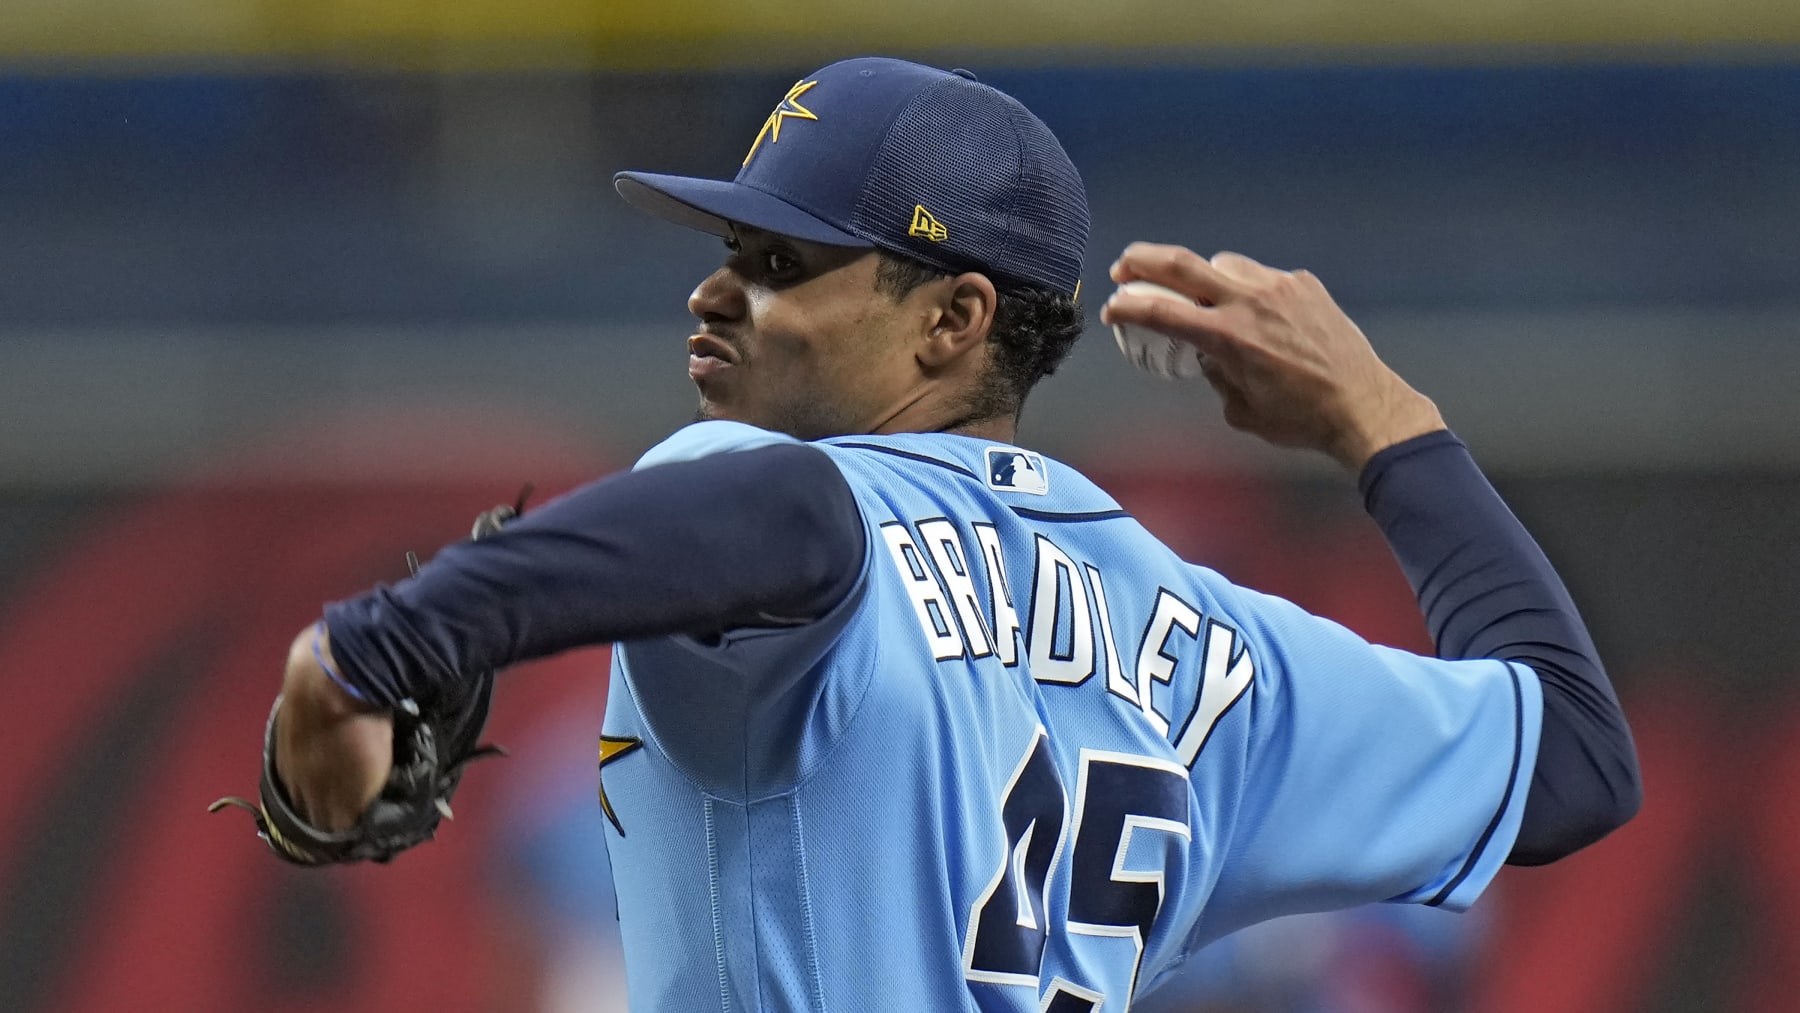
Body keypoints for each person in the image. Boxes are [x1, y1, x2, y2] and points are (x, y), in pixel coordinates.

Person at [268, 57, 1640, 1011]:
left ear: (953, 320)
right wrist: (1386, 421)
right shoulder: (1217, 647)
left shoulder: (782, 501)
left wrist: (369, 650)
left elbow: (775, 521)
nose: (717, 289)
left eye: (781, 264)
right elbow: (1575, 757)